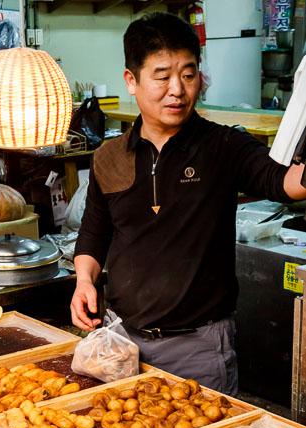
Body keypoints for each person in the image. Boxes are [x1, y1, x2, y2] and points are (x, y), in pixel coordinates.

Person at [70, 12, 306, 396]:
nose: (177, 90)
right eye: (162, 77)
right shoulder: (109, 156)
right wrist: (84, 281)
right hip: (120, 342)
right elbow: (95, 232)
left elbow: (285, 183)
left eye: (188, 74)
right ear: (132, 80)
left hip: (199, 349)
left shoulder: (223, 147)